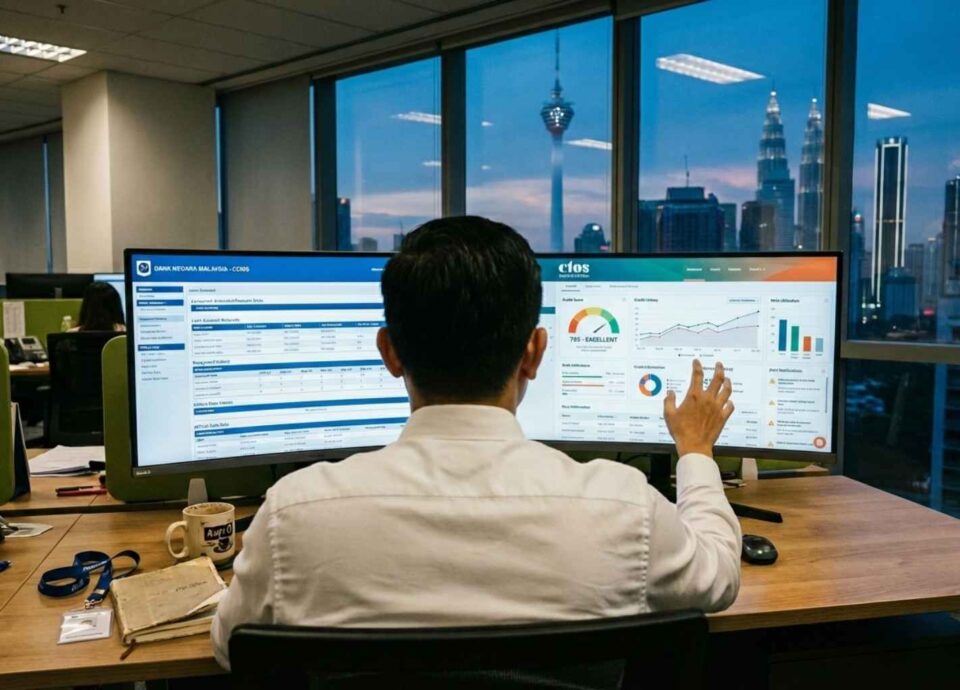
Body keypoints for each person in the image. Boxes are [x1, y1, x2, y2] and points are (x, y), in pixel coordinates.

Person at [212, 216, 741, 671]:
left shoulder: (294, 513)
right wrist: (695, 454)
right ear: (535, 351)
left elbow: (229, 647)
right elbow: (718, 579)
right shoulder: (625, 507)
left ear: (389, 352)